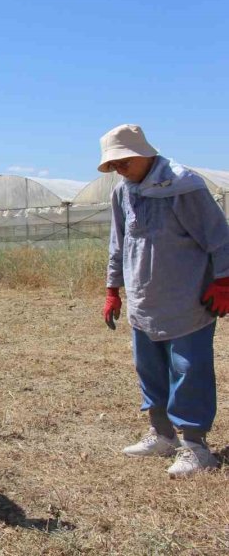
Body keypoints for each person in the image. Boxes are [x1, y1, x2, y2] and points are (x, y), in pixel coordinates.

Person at [100, 124, 229, 477]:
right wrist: (112, 289)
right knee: (150, 369)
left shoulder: (183, 185)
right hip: (144, 299)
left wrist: (224, 281)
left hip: (187, 298)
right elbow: (118, 243)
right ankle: (162, 434)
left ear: (143, 153)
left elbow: (219, 237)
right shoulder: (123, 192)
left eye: (123, 162)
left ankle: (196, 448)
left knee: (188, 370)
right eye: (113, 165)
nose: (118, 170)